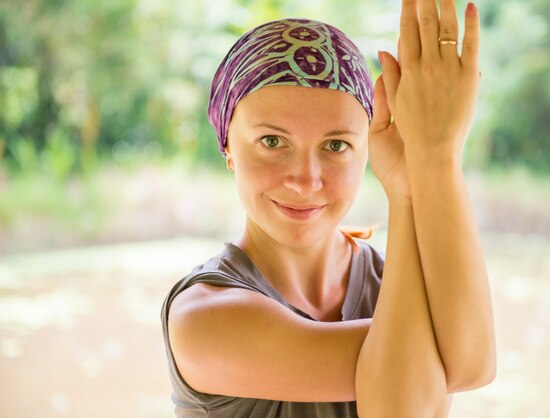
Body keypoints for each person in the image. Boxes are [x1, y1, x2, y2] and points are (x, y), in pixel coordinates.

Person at [161, 0, 496, 417]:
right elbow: (404, 405)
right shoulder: (205, 317)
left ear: (366, 151)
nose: (305, 179)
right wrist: (412, 191)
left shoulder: (393, 281)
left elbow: (475, 365)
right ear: (228, 147)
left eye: (335, 145)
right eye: (271, 141)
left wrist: (431, 162)